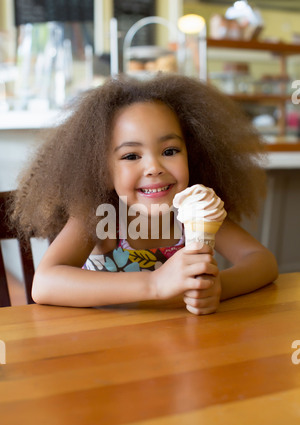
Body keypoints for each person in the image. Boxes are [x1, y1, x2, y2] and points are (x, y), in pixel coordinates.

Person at [10, 74, 278, 314]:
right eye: (130, 155)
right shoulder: (99, 217)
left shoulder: (195, 212)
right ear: (102, 171)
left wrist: (216, 287)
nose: (154, 168)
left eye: (170, 151)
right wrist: (155, 284)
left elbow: (262, 262)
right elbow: (44, 284)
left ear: (192, 155)